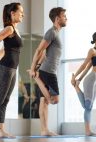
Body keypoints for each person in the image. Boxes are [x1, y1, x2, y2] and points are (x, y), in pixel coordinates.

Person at [28, 7, 67, 136]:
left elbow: (45, 53)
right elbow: (38, 50)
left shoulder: (55, 33)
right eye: (64, 16)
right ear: (57, 18)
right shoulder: (51, 32)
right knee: (54, 100)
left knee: (44, 102)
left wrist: (38, 65)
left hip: (47, 70)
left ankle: (44, 130)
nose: (66, 18)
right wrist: (34, 69)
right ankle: (37, 78)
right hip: (48, 72)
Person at [0, 2, 24, 138]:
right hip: (6, 67)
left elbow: (5, 49)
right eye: (21, 12)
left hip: (13, 69)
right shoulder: (9, 29)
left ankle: (0, 130)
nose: (23, 14)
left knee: (5, 100)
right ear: (12, 13)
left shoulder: (16, 30)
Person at [71, 32, 96, 136]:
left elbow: (88, 68)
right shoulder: (92, 50)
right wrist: (75, 76)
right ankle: (87, 131)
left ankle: (76, 87)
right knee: (88, 107)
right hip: (91, 79)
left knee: (88, 106)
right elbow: (84, 65)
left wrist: (79, 80)